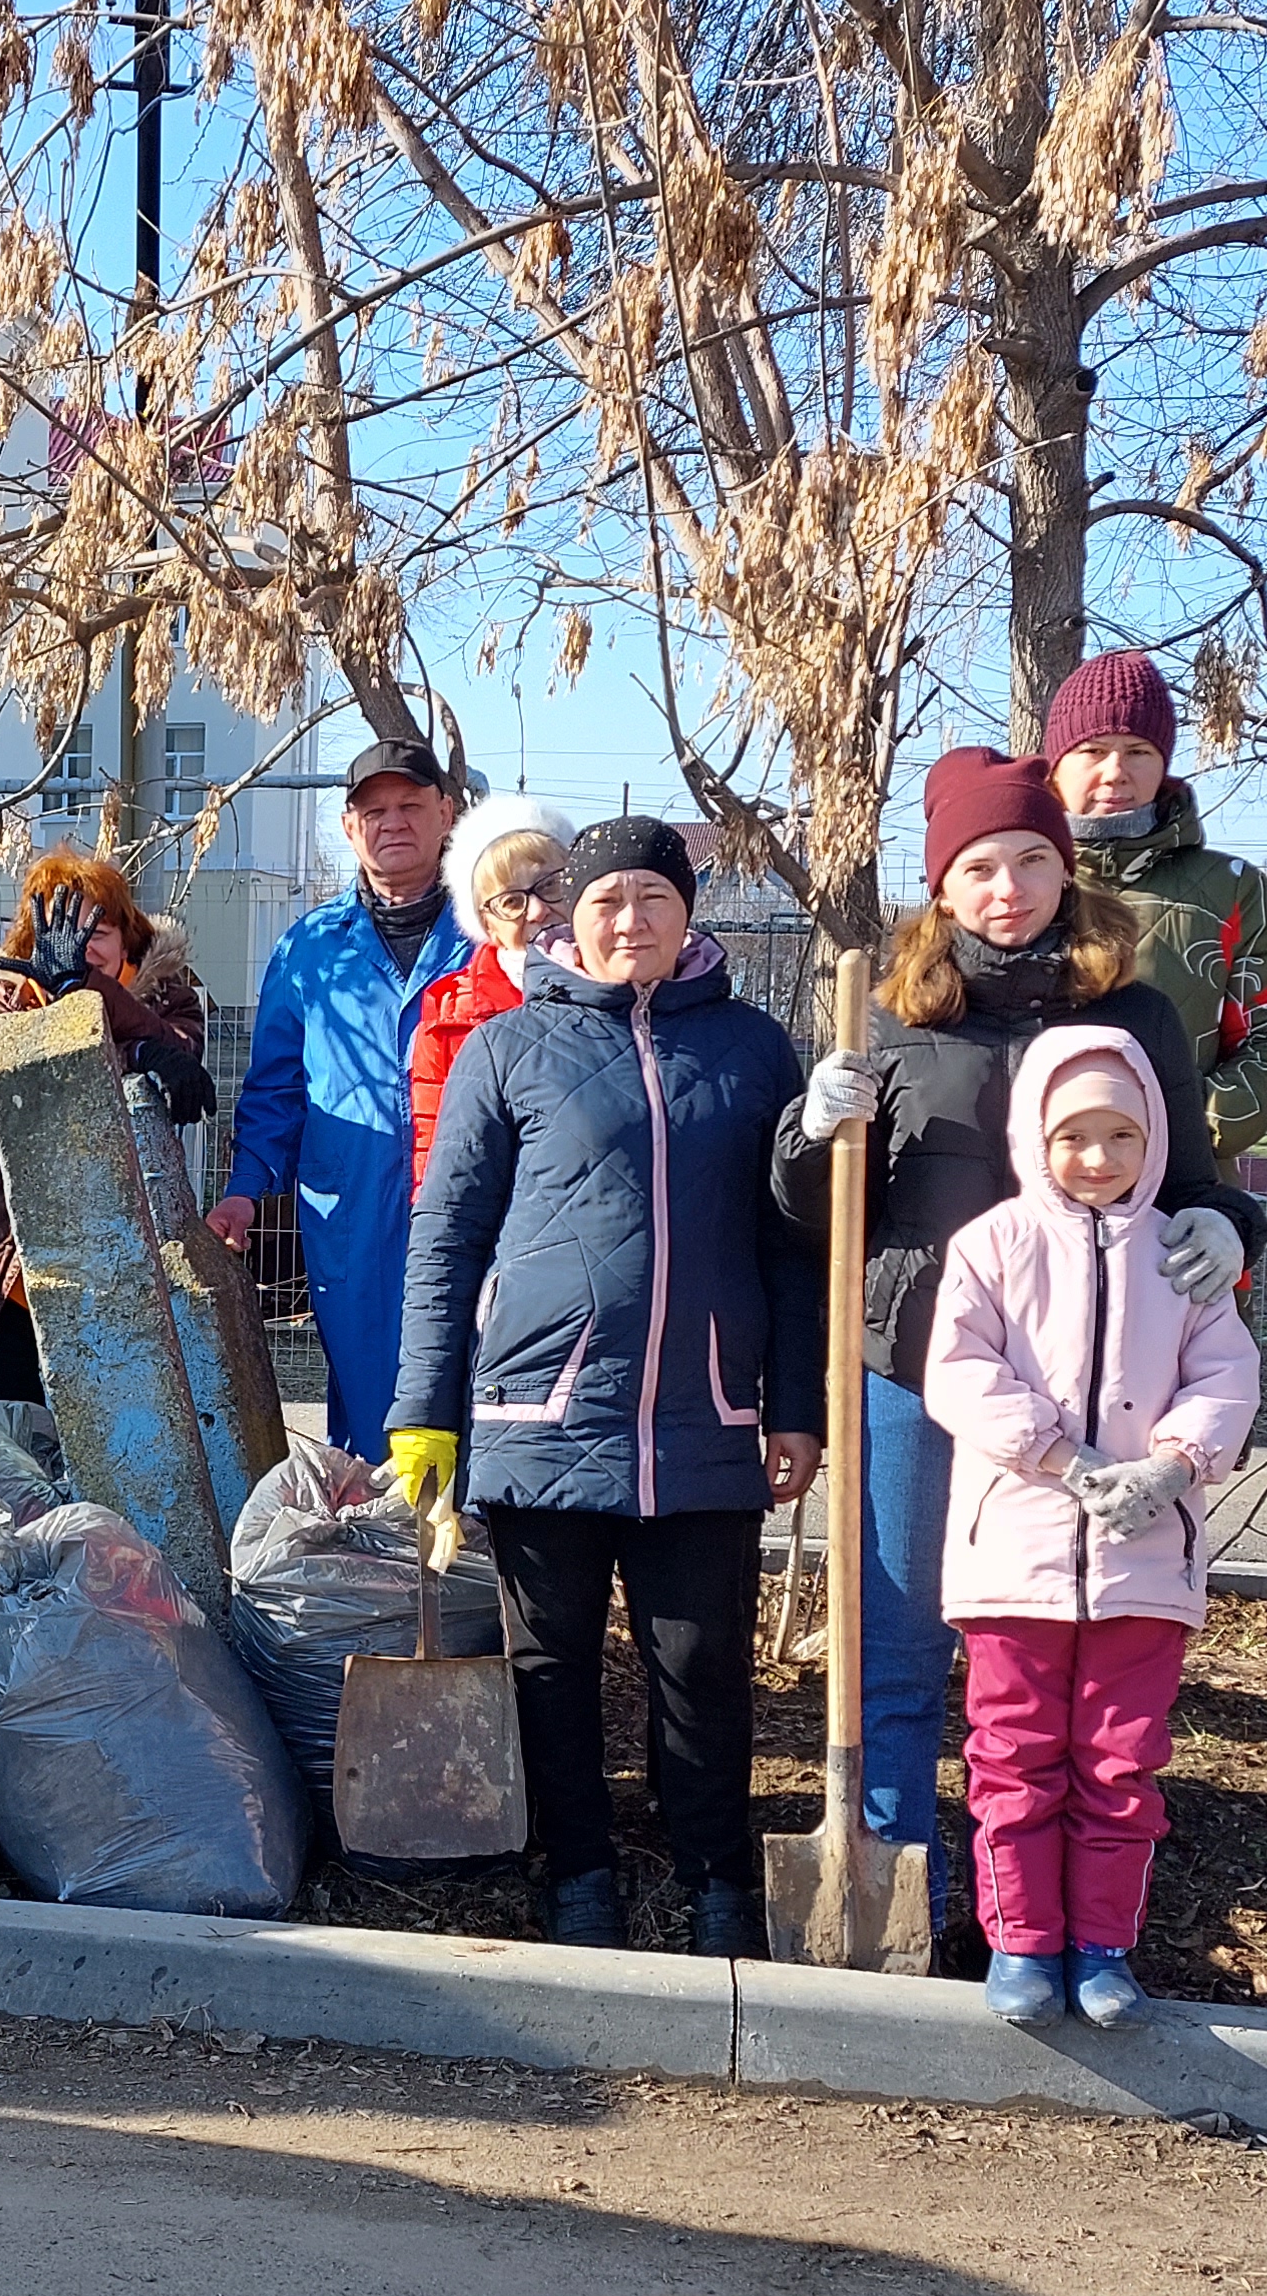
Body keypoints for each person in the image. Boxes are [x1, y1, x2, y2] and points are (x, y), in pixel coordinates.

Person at [774, 747, 1263, 1968]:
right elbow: (810, 1213)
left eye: (1031, 860)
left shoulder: (1132, 1014)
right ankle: (892, 1888)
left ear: (1065, 870)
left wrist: (1221, 1224)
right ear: (942, 886)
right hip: (910, 1373)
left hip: (1093, 1398)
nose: (1008, 887)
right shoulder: (887, 1011)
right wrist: (809, 1126)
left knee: (1063, 1667)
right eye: (979, 866)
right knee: (896, 1644)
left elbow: (1189, 1182)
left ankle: (1044, 1922)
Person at [389, 819, 820, 1954]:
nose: (629, 921)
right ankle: (574, 1867)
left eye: (652, 898)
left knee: (703, 1666)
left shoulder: (751, 1050)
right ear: (565, 919)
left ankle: (717, 1878)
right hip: (540, 1414)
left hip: (708, 1416)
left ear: (689, 913)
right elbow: (445, 1239)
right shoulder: (507, 1049)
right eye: (605, 902)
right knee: (551, 1665)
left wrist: (798, 1405)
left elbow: (792, 1245)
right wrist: (423, 1411)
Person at [921, 1030, 1263, 2025]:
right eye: (1074, 1136)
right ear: (1035, 1135)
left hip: (1143, 1564)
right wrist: (1062, 1459)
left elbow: (1224, 1374)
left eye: (1122, 1135)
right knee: (1015, 1756)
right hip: (1014, 1560)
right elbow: (959, 1371)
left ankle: (1102, 1946)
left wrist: (1170, 1467)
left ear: (1154, 1140)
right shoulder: (991, 1247)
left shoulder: (1179, 1253)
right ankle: (1022, 1943)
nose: (1099, 1158)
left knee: (1121, 1762)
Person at [208, 738, 471, 1440]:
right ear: (350, 828)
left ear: (447, 814)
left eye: (411, 805)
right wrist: (244, 1187)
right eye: (373, 810)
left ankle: (476, 1540)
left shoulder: (491, 940)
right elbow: (275, 1091)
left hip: (471, 1202)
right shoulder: (311, 949)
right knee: (368, 1398)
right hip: (348, 1209)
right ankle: (376, 1544)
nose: (393, 823)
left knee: (472, 1385)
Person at [0, 849, 213, 1409]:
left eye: (100, 927)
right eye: (65, 925)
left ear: (127, 938)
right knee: (10, 1446)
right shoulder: (5, 998)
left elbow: (184, 1064)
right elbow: (9, 1079)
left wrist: (89, 994)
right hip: (12, 1270)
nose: (85, 941)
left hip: (133, 1278)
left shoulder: (173, 993)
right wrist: (131, 1047)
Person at [1045, 648, 1267, 1176]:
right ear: (1058, 763)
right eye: (1093, 750)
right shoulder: (1008, 883)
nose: (1115, 773)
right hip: (1021, 1203)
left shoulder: (1229, 889)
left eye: (1138, 751)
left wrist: (1174, 1125)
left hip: (1181, 1201)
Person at [406, 791, 570, 1196]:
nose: (536, 911)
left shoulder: (629, 994)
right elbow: (436, 1158)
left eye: (550, 885)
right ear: (486, 923)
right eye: (511, 901)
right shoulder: (449, 1018)